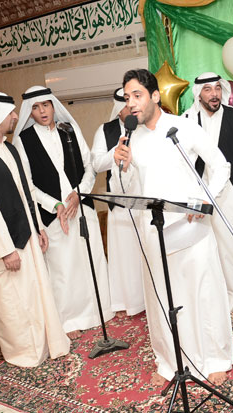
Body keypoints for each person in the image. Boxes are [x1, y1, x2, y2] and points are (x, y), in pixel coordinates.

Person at [114, 68, 233, 386]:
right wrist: (122, 165)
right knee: (162, 299)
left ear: (155, 96)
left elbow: (220, 165)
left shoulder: (182, 127)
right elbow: (128, 191)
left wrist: (203, 199)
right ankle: (169, 361)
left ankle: (215, 359)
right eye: (127, 98)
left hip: (191, 226)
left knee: (202, 294)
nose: (131, 103)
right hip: (154, 229)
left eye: (137, 95)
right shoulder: (129, 140)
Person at [0, 91, 70, 367]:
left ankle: (46, 344)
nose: (16, 117)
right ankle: (24, 352)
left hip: (27, 235)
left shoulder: (9, 149)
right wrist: (6, 250)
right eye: (10, 113)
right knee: (13, 300)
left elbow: (26, 192)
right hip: (3, 245)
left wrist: (39, 227)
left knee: (36, 292)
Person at [13, 86, 113, 339]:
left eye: (45, 105)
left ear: (53, 105)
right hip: (54, 215)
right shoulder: (24, 140)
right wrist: (55, 205)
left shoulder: (69, 130)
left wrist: (79, 193)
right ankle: (69, 320)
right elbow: (27, 184)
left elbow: (90, 166)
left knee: (90, 261)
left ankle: (98, 313)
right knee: (63, 269)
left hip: (81, 207)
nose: (42, 111)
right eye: (35, 107)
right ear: (29, 112)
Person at [182, 72, 233, 311]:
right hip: (202, 192)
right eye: (208, 89)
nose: (214, 94)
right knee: (210, 247)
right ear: (199, 94)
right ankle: (218, 296)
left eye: (217, 88)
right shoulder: (187, 119)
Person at [91, 88, 145, 316]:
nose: (130, 108)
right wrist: (116, 152)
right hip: (119, 203)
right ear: (118, 109)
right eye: (125, 104)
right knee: (125, 255)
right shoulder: (105, 130)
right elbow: (96, 164)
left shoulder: (145, 125)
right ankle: (130, 301)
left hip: (144, 198)